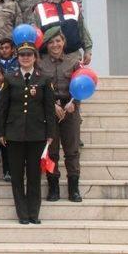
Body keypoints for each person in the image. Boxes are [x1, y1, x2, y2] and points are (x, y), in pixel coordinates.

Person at [0, 42, 56, 225]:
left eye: (29, 55)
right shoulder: (10, 78)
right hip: (14, 134)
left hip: (37, 133)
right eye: (22, 55)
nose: (25, 58)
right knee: (16, 176)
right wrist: (1, 132)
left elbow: (49, 109)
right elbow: (3, 108)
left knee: (33, 176)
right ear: (18, 57)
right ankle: (22, 214)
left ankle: (33, 213)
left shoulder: (44, 79)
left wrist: (50, 133)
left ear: (35, 57)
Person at [37, 27, 83, 202]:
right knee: (52, 151)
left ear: (63, 42)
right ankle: (53, 188)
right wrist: (52, 105)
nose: (55, 45)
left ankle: (74, 189)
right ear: (47, 46)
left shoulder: (74, 62)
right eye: (51, 42)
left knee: (72, 151)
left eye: (58, 41)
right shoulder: (40, 64)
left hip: (70, 109)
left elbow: (82, 84)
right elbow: (39, 87)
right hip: (49, 111)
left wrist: (75, 103)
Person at [35, 0, 93, 66]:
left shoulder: (74, 5)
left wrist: (88, 50)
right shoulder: (39, 8)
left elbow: (82, 30)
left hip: (72, 58)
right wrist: (36, 55)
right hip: (48, 60)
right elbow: (36, 35)